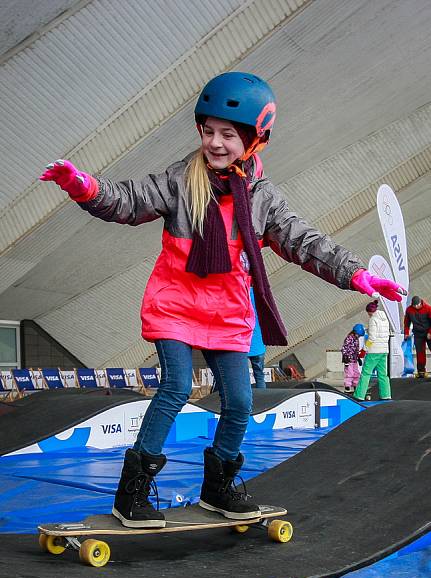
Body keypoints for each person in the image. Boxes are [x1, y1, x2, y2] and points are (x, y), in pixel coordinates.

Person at [39, 71, 405, 528]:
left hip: (227, 313)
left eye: (228, 135)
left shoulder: (262, 199)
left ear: (255, 140)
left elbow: (306, 242)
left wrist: (357, 273)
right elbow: (129, 201)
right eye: (208, 131)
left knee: (240, 401)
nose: (215, 143)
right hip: (176, 304)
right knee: (174, 387)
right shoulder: (181, 179)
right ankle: (131, 493)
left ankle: (218, 488)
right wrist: (85, 187)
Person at [353, 301, 391, 401]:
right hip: (384, 350)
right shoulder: (384, 319)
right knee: (383, 374)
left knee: (366, 373)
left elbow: (372, 338)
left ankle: (359, 395)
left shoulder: (373, 319)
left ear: (370, 312)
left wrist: (364, 350)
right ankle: (386, 395)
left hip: (374, 351)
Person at [403, 295, 431, 377]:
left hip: (428, 332)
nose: (416, 307)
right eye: (414, 305)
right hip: (418, 334)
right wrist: (406, 333)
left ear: (421, 303)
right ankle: (421, 372)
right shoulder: (409, 310)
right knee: (420, 352)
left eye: (417, 305)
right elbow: (407, 323)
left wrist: (430, 332)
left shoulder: (428, 308)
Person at [248, 288, 266, 388]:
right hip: (259, 344)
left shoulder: (241, 293)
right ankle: (263, 399)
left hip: (244, 344)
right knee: (259, 375)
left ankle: (247, 400)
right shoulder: (259, 295)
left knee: (242, 377)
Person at [341, 323, 365, 393]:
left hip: (354, 359)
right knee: (349, 373)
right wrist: (345, 357)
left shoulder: (356, 339)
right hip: (348, 359)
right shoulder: (349, 338)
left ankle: (356, 385)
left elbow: (356, 349)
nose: (359, 336)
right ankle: (347, 386)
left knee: (356, 373)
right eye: (358, 335)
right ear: (354, 332)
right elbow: (344, 348)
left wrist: (358, 358)